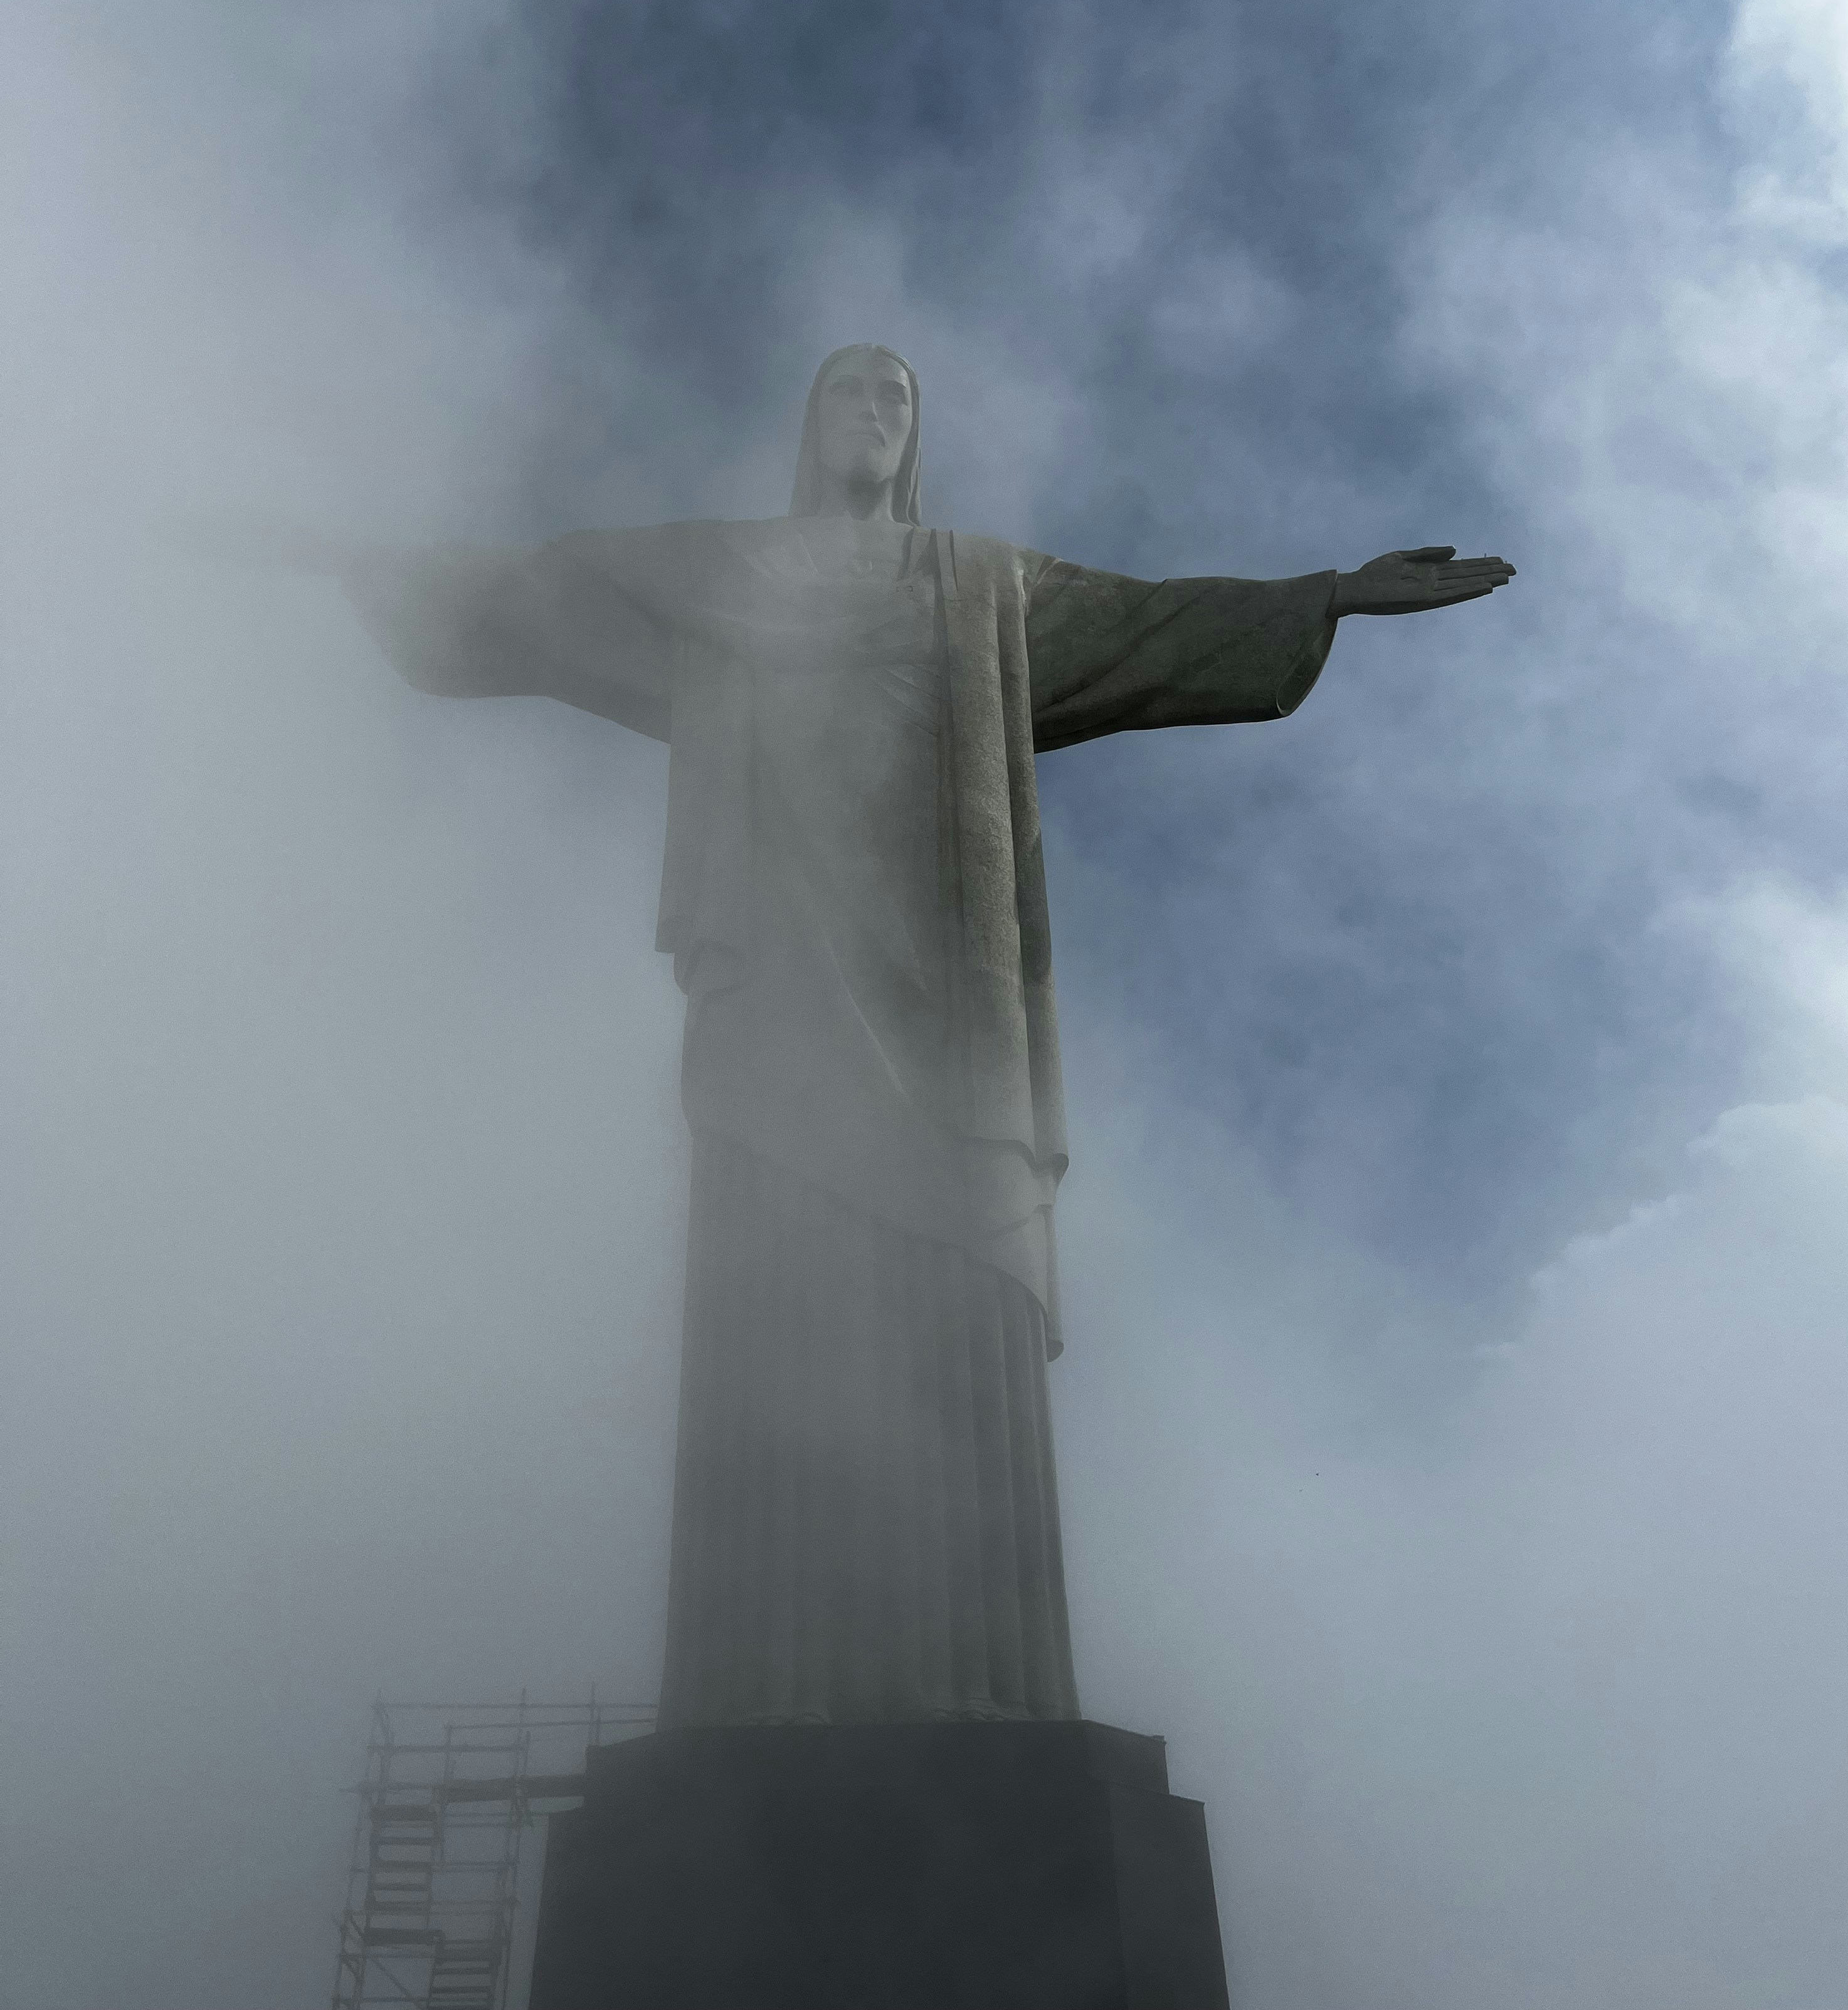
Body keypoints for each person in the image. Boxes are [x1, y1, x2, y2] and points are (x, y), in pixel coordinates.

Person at [319, 344, 1514, 1728]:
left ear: (917, 435)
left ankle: (985, 1689)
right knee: (782, 1262)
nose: (874, 413)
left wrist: (1328, 595)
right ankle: (763, 1690)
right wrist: (360, 559)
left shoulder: (984, 584)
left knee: (958, 1269)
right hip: (782, 975)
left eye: (897, 397)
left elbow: (1147, 625)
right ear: (808, 422)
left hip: (953, 988)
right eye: (850, 390)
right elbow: (548, 591)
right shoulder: (718, 567)